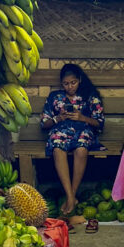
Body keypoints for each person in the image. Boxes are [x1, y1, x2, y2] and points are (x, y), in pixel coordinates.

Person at [40, 63, 105, 216]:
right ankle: (71, 197)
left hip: (83, 130)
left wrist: (82, 117)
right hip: (61, 131)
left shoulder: (90, 96)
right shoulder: (55, 97)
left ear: (80, 80)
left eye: (73, 82)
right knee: (57, 147)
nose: (70, 87)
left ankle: (71, 195)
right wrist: (58, 118)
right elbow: (44, 124)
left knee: (81, 149)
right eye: (66, 84)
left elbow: (100, 123)